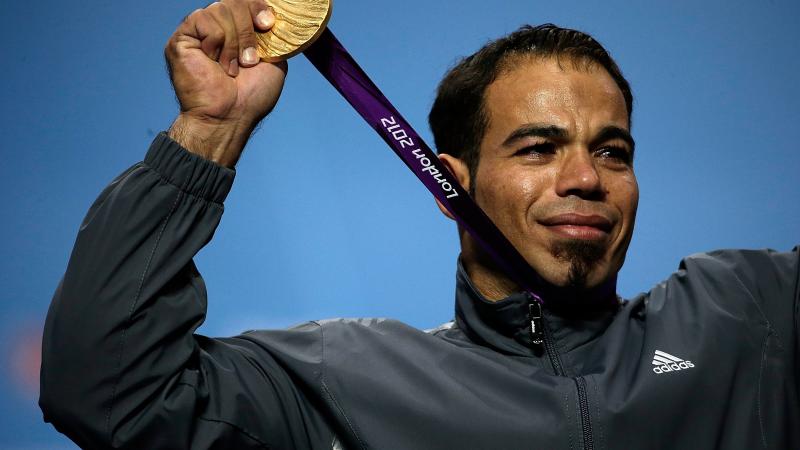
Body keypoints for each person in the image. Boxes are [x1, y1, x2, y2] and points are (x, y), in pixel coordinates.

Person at [39, 0, 799, 448]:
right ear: (449, 186)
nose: (585, 179)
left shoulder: (744, 315)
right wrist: (210, 129)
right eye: (539, 148)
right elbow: (107, 391)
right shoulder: (338, 382)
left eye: (613, 151)